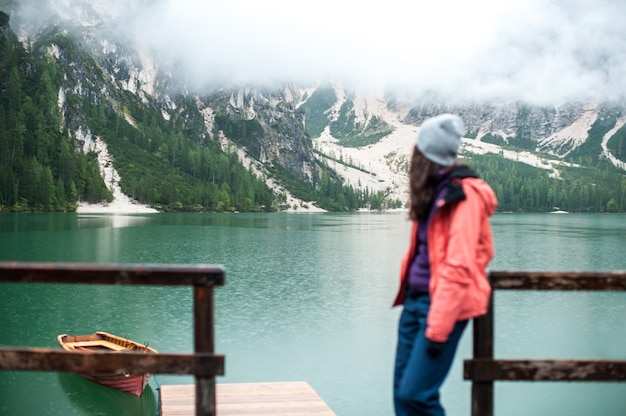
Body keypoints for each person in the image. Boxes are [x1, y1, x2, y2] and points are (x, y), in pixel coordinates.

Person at [392, 114, 498, 416]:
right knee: (402, 395)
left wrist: (438, 330)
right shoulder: (432, 191)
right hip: (415, 304)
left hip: (441, 307)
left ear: (425, 154)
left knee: (417, 395)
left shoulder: (462, 196)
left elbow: (458, 267)